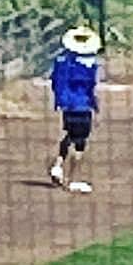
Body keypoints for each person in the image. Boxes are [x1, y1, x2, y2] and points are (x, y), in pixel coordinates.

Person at [48, 24, 103, 194]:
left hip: (67, 105)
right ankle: (73, 180)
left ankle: (58, 165)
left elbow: (55, 81)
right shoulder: (89, 64)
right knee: (80, 143)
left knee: (70, 135)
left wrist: (60, 101)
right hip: (82, 106)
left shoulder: (60, 60)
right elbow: (90, 86)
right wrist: (95, 105)